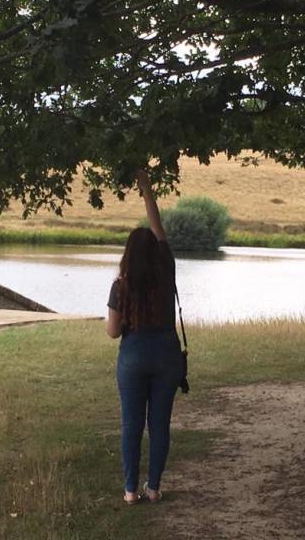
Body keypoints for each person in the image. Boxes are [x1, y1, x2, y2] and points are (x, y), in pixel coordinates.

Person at [106, 168, 185, 505]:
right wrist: (146, 188)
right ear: (155, 252)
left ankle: (129, 490)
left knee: (131, 425)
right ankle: (153, 488)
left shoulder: (121, 286)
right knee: (160, 425)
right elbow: (158, 227)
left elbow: (112, 332)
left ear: (127, 254)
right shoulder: (166, 271)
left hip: (134, 354)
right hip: (167, 353)